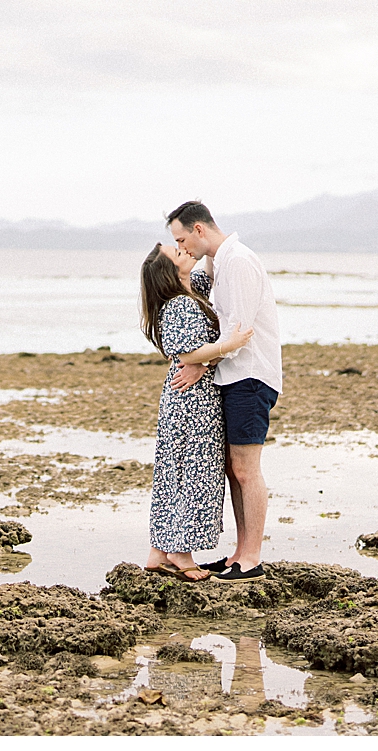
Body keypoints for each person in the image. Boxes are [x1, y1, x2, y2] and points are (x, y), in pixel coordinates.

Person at [167, 200, 282, 582]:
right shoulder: (223, 261)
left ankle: (252, 559)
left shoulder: (240, 261)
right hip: (233, 377)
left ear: (199, 229)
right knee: (235, 470)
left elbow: (240, 330)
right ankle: (239, 553)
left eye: (182, 239)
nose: (182, 249)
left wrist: (202, 362)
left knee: (247, 471)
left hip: (250, 377)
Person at [138, 241, 255, 582]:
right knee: (194, 472)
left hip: (192, 396)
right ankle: (179, 553)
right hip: (191, 402)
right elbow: (186, 353)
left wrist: (204, 239)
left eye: (181, 244)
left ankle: (158, 552)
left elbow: (210, 265)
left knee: (175, 473)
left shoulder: (196, 289)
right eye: (177, 253)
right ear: (169, 271)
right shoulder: (178, 304)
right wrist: (227, 347)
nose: (183, 250)